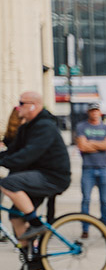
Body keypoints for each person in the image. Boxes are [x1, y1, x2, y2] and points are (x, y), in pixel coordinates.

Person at [0, 91, 71, 245]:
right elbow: (14, 151)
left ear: (33, 106)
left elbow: (28, 154)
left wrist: (6, 162)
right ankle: (32, 259)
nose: (18, 108)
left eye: (21, 104)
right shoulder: (27, 127)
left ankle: (36, 225)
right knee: (16, 216)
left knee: (8, 183)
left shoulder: (44, 126)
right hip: (39, 175)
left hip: (52, 177)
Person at [75, 103, 106, 238]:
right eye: (92, 111)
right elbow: (82, 146)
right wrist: (100, 145)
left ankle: (105, 226)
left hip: (103, 168)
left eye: (96, 111)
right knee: (86, 199)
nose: (94, 113)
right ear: (89, 112)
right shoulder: (82, 127)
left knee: (104, 201)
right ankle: (85, 228)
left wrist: (90, 143)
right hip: (88, 168)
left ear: (100, 112)